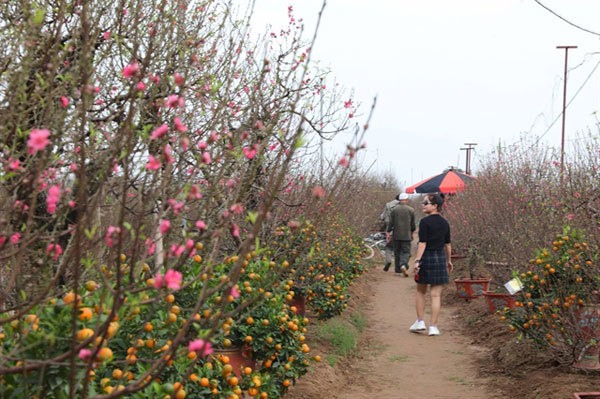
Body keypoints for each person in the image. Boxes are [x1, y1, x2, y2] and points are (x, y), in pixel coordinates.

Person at [409, 193, 453, 336]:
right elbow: (447, 244)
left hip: (427, 257)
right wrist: (448, 261)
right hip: (439, 257)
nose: (423, 204)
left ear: (435, 206)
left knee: (421, 291)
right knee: (436, 295)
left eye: (425, 202)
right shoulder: (445, 223)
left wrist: (417, 261)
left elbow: (422, 244)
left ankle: (420, 321)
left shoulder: (425, 222)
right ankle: (433, 326)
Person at [386, 193, 415, 276]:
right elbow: (412, 224)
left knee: (397, 252)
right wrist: (412, 232)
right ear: (406, 200)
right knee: (406, 251)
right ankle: (403, 264)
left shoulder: (394, 210)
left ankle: (398, 270)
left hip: (396, 235)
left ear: (399, 200)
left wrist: (388, 232)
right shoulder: (411, 210)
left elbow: (391, 223)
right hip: (406, 235)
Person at [381, 193, 401, 271]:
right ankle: (399, 267)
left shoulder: (388, 205)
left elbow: (383, 216)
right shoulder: (404, 207)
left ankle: (388, 261)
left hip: (389, 230)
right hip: (401, 231)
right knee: (398, 248)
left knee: (388, 247)